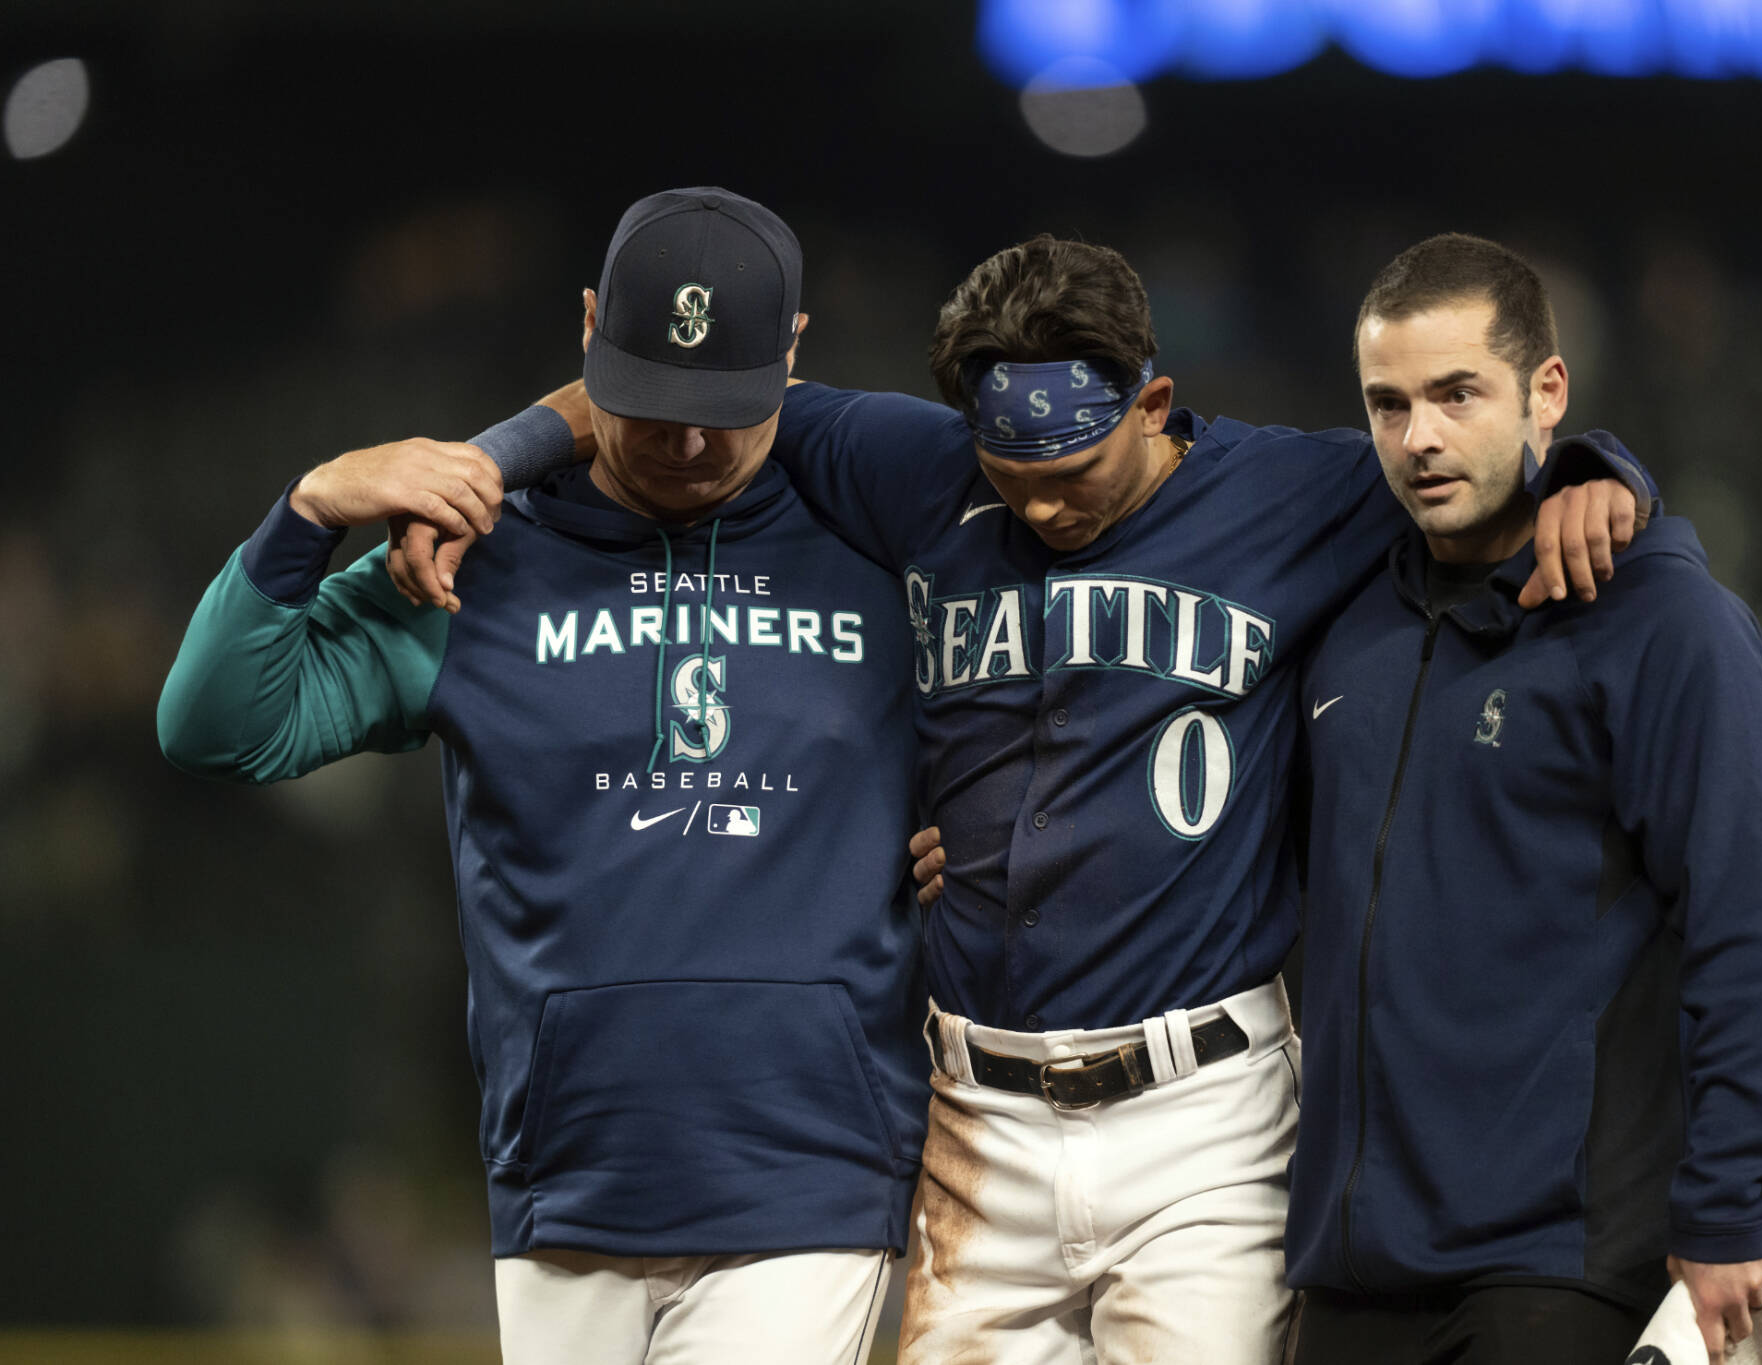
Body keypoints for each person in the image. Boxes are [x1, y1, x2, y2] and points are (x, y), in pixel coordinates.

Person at [422, 233, 1651, 1365]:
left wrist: (1600, 471)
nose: (1042, 503)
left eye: (1073, 468)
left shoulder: (1293, 494)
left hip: (1204, 1124)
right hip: (975, 1124)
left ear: (1152, 403)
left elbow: (1474, 467)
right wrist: (491, 458)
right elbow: (688, 382)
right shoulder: (918, 468)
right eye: (1008, 472)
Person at [157, 187, 928, 1364]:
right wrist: (310, 510)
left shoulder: (880, 535)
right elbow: (218, 722)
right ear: (586, 328)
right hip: (566, 1181)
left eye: (720, 407)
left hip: (813, 1170)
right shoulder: (475, 554)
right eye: (651, 403)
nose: (684, 442)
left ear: (792, 353)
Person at [1286, 234, 1762, 1365]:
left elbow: (1759, 928)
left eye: (1455, 394)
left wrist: (1730, 1200)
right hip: (1351, 1271)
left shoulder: (1661, 624)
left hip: (1562, 1267)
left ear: (1546, 392)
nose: (1417, 437)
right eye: (1385, 405)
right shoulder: (1340, 621)